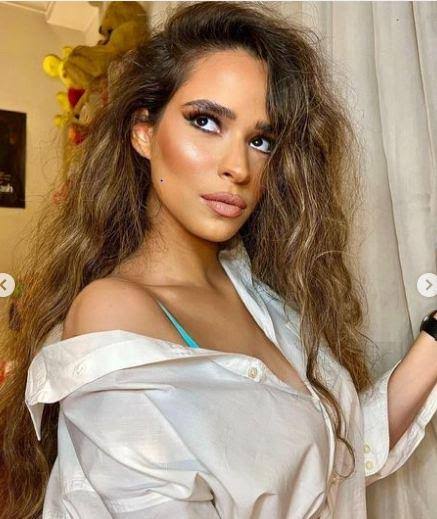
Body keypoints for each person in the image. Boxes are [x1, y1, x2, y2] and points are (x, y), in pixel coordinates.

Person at [1, 2, 436, 518]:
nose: (238, 167)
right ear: (144, 132)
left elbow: (337, 459)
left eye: (260, 140)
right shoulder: (116, 313)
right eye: (206, 121)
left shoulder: (256, 291)